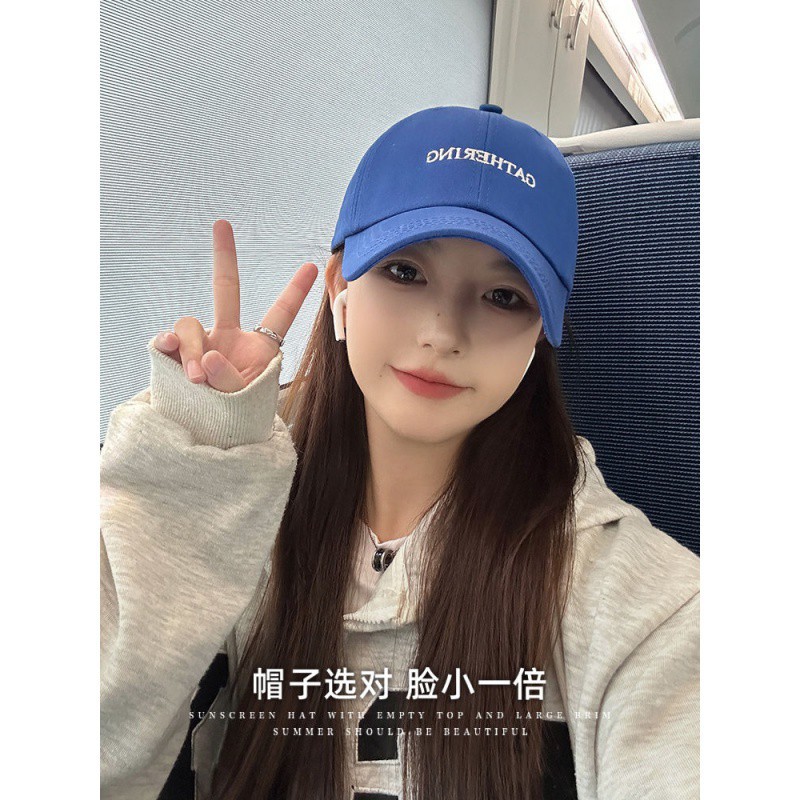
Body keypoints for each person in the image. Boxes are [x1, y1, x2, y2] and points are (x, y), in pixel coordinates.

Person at [100, 105, 699, 800]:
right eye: (406, 272)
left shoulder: (643, 607)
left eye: (503, 295)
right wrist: (197, 462)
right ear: (339, 288)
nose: (442, 333)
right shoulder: (233, 503)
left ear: (541, 333)